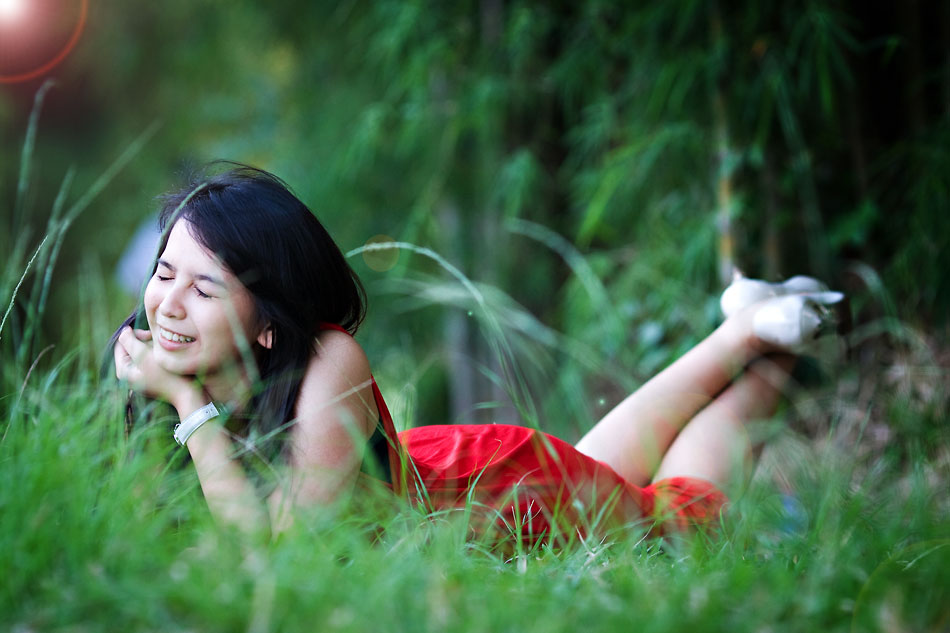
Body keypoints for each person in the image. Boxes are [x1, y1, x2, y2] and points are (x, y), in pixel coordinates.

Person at [111, 164, 845, 544]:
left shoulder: (329, 359)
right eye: (164, 273)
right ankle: (746, 329)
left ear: (268, 324)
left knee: (675, 521)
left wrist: (189, 407)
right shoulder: (163, 365)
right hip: (444, 474)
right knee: (603, 468)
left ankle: (774, 350)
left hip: (499, 501)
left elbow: (274, 560)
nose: (167, 304)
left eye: (203, 288)